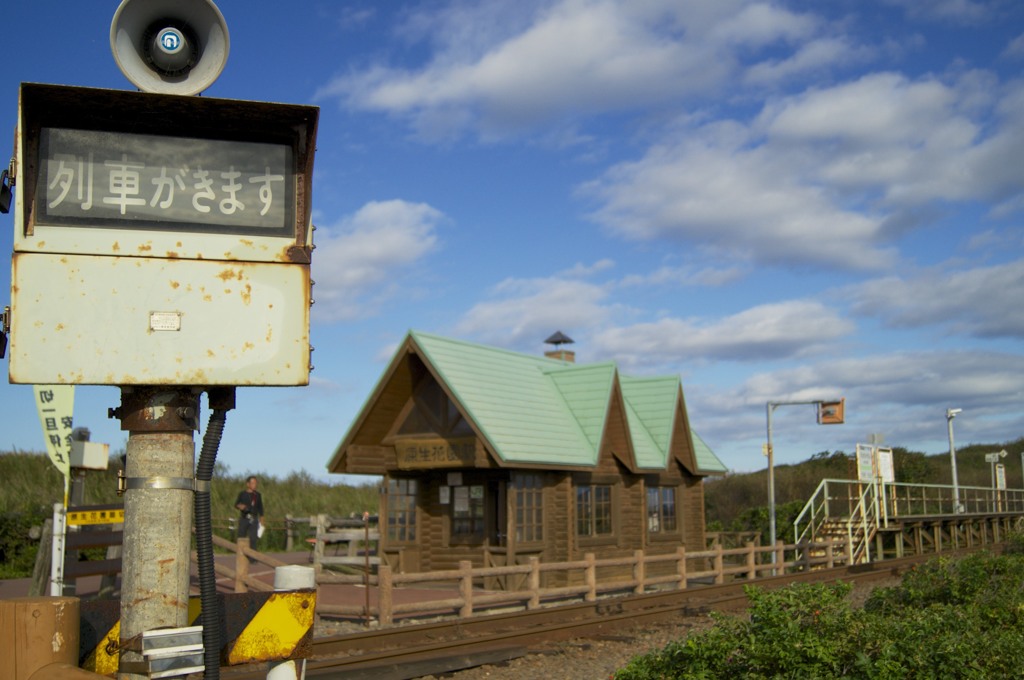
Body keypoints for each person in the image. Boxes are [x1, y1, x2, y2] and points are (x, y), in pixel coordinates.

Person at [235, 475, 265, 556]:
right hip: (244, 518)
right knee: (241, 537)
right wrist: (241, 506)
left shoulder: (257, 495)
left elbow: (260, 508)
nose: (254, 485)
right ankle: (241, 554)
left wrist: (262, 519)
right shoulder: (242, 494)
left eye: (255, 483)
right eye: (253, 483)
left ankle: (253, 557)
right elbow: (236, 504)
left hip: (254, 519)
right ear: (248, 484)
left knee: (253, 538)